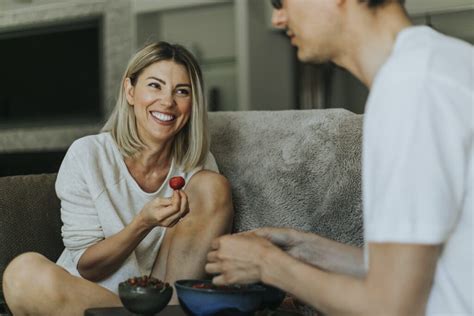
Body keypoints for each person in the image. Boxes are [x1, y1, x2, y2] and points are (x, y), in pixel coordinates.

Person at [205, 0, 473, 315]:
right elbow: (420, 273)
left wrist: (268, 265)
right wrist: (304, 249)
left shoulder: (411, 91)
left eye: (281, 2)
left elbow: (392, 307)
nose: (278, 18)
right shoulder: (440, 63)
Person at [3, 41, 233, 315]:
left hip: (161, 301)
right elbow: (88, 266)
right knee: (22, 273)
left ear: (192, 102)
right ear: (130, 91)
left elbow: (202, 252)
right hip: (89, 299)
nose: (168, 102)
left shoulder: (198, 165)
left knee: (212, 185)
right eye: (155, 85)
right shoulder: (88, 155)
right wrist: (143, 223)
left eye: (181, 91)